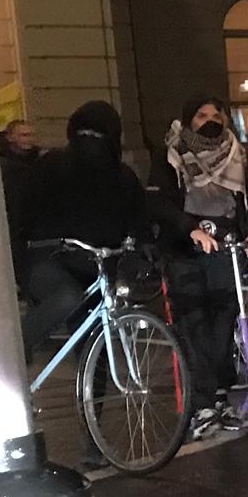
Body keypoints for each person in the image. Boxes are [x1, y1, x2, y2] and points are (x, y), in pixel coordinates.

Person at [148, 97, 248, 437]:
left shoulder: (238, 154)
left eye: (217, 115)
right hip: (184, 251)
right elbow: (159, 202)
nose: (210, 120)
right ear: (189, 120)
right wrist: (188, 228)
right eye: (201, 115)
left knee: (222, 328)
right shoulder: (170, 155)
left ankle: (219, 398)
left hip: (225, 247)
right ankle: (201, 405)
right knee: (194, 328)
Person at [15, 100, 147, 352]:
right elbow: (23, 215)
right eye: (83, 133)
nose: (89, 140)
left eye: (96, 135)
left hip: (96, 264)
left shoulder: (122, 177)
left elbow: (138, 218)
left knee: (97, 329)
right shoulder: (50, 167)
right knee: (67, 297)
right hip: (48, 259)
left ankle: (93, 378)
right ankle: (13, 352)